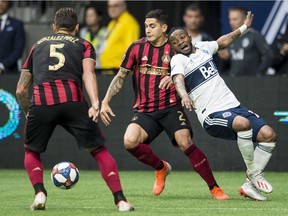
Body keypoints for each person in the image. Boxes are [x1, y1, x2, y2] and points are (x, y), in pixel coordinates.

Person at [100, 9, 229, 201]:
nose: (148, 30)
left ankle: (215, 188)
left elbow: (192, 66)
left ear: (164, 28)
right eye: (146, 26)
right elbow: (121, 76)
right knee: (129, 141)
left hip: (171, 108)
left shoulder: (175, 47)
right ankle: (161, 168)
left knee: (185, 142)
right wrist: (105, 101)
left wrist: (175, 77)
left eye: (152, 26)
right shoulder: (136, 48)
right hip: (145, 110)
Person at [16, 8, 134, 212]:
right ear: (77, 27)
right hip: (73, 102)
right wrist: (95, 102)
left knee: (31, 150)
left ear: (54, 27)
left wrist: (29, 110)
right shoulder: (84, 44)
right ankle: (121, 201)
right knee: (99, 150)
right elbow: (89, 74)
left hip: (42, 103)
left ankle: (40, 194)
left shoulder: (37, 46)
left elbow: (20, 89)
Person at [168, 11, 276, 201]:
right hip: (212, 114)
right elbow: (177, 80)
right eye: (175, 42)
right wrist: (184, 96)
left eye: (182, 37)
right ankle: (253, 172)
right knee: (243, 124)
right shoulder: (178, 60)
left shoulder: (203, 48)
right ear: (174, 48)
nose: (180, 42)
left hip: (234, 107)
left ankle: (249, 185)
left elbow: (224, 41)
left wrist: (244, 28)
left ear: (189, 36)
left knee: (269, 135)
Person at [218, 7, 271, 76]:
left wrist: (259, 74)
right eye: (230, 19)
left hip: (251, 81)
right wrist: (225, 59)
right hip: (234, 80)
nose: (231, 23)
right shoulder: (230, 38)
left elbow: (268, 56)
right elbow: (227, 65)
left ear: (244, 19)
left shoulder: (255, 36)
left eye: (235, 19)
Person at [100, 0, 140, 71]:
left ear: (124, 6)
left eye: (115, 5)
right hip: (107, 70)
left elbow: (131, 50)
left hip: (118, 71)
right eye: (109, 6)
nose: (112, 9)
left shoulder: (129, 23)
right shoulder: (112, 22)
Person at [0, 0, 25, 74]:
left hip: (9, 72)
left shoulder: (17, 24)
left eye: (3, 1)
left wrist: (2, 66)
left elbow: (18, 50)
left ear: (8, 3)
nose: (0, 4)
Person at [79, 5, 106, 69]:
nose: (88, 18)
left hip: (102, 69)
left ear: (99, 17)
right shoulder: (83, 32)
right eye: (87, 15)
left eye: (91, 15)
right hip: (86, 69)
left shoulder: (106, 32)